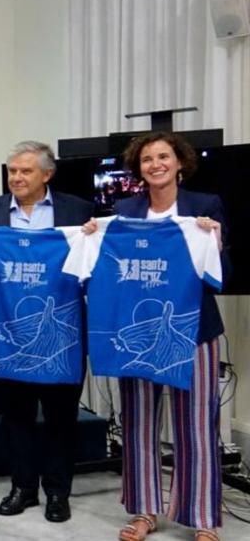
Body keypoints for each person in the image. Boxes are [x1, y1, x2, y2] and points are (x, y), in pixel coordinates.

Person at [86, 132, 228, 541]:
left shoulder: (204, 206)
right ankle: (145, 512)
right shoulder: (125, 209)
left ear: (179, 162)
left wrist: (213, 241)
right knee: (138, 422)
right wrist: (95, 234)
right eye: (147, 159)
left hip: (195, 331)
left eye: (163, 156)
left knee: (197, 424)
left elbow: (222, 275)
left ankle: (203, 518)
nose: (155, 164)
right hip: (136, 333)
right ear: (139, 168)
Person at [0, 141, 93, 523]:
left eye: (25, 171)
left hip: (62, 335)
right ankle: (22, 488)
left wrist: (92, 236)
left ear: (47, 175)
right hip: (12, 334)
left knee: (61, 417)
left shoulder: (78, 211)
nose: (16, 178)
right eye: (12, 171)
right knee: (16, 415)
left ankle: (57, 492)